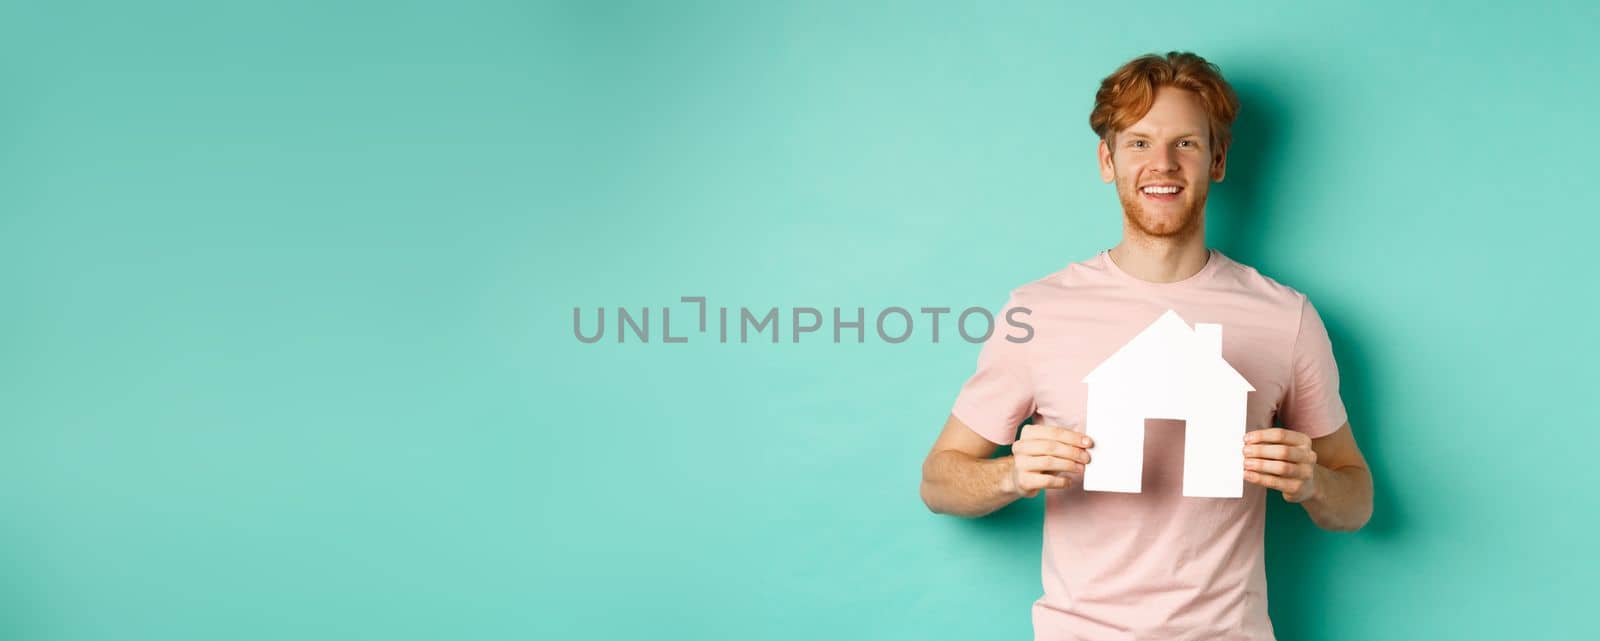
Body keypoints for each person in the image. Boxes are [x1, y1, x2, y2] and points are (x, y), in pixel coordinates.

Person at [918, 51, 1374, 640]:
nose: (1162, 163)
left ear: (1219, 160)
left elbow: (1355, 499)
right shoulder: (1039, 310)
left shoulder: (1286, 317)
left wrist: (1314, 483)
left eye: (1186, 143)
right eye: (1138, 143)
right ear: (1107, 160)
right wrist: (1012, 475)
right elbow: (938, 481)